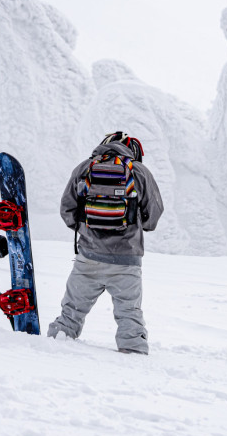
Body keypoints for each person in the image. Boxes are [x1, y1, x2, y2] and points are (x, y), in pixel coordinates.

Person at [47, 131, 163, 354]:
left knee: (70, 315)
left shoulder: (85, 168)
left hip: (88, 259)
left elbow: (67, 209)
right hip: (127, 261)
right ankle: (135, 361)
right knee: (130, 315)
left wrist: (87, 229)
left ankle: (51, 355)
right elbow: (153, 215)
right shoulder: (139, 172)